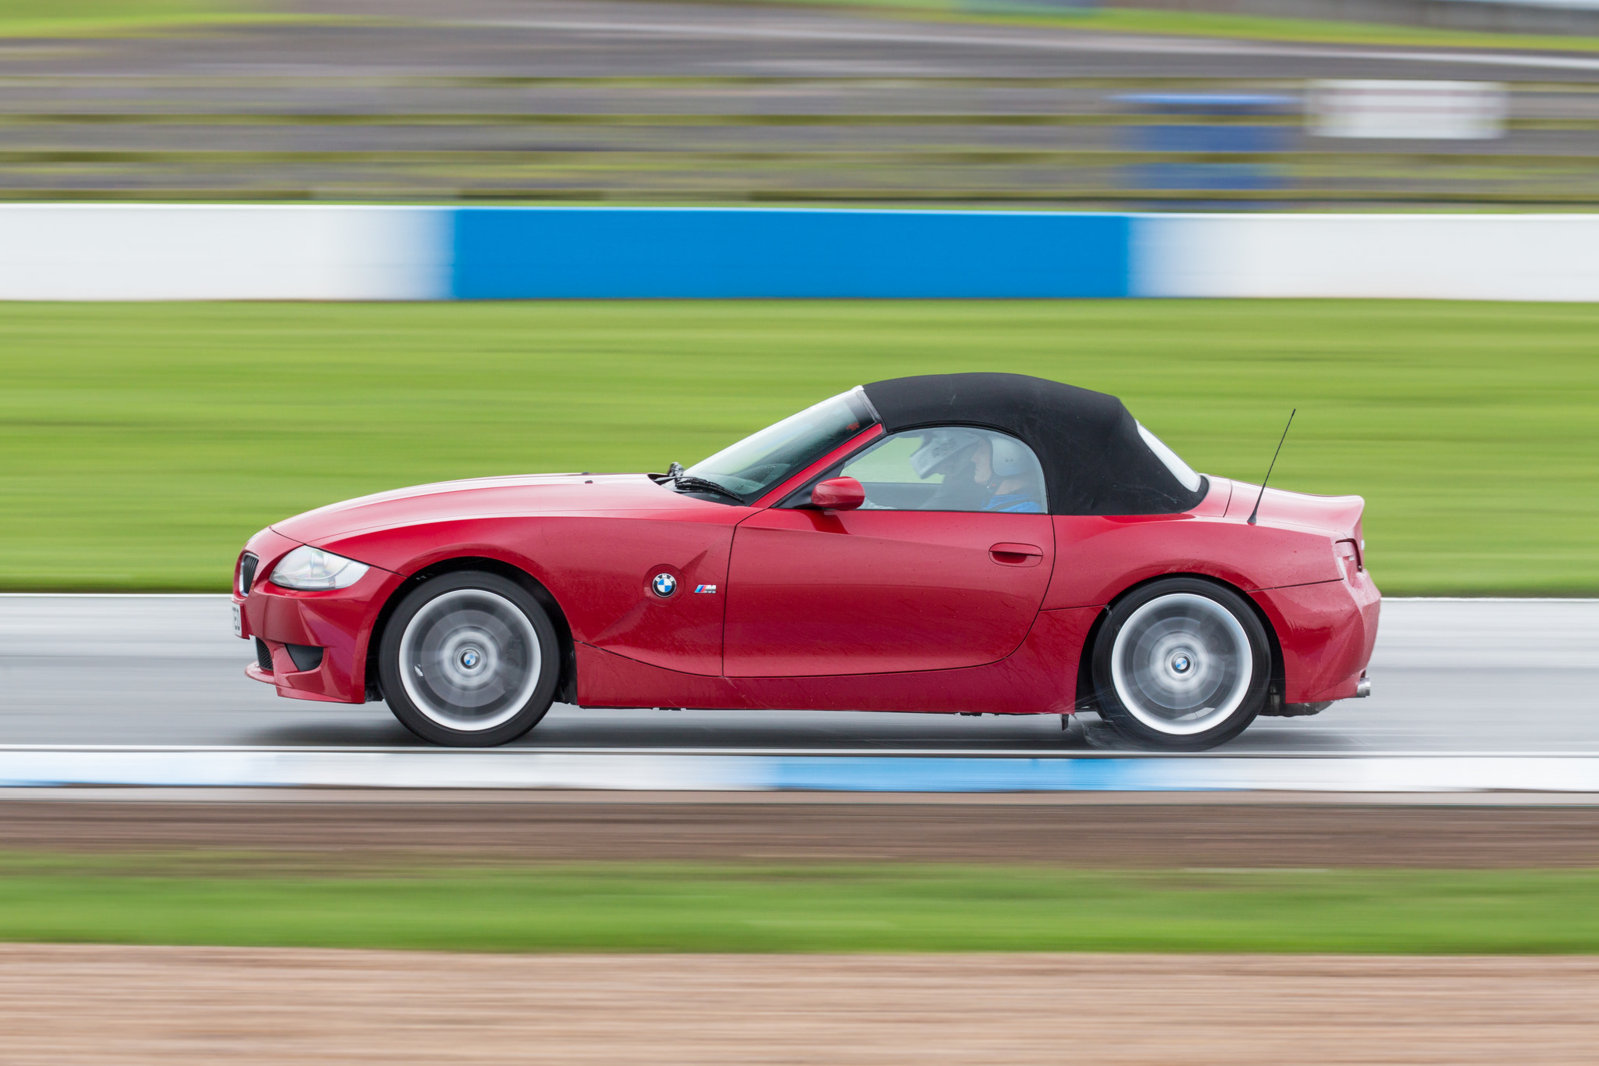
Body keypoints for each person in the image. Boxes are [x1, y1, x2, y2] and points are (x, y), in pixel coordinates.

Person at [909, 430, 1044, 514]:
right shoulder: (995, 501)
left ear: (1006, 455)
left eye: (980, 449)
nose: (973, 459)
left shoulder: (1023, 510)